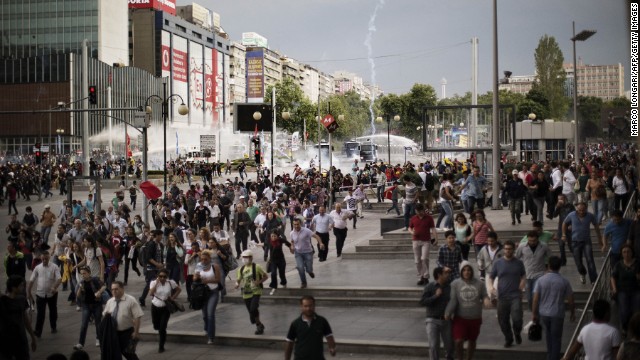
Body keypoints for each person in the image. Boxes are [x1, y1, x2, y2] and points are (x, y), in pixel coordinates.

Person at [532, 256, 576, 360]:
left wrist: (534, 314)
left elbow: (535, 300)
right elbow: (571, 299)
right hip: (557, 314)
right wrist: (572, 312)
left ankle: (550, 355)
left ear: (549, 266)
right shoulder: (564, 281)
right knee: (556, 339)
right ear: (559, 267)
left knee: (548, 336)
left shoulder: (540, 280)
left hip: (544, 313)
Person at [445, 262, 491, 360]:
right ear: (461, 271)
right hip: (460, 318)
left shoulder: (480, 283)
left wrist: (486, 299)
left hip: (475, 317)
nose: (467, 272)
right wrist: (448, 311)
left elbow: (484, 295)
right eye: (464, 270)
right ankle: (460, 358)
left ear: (472, 271)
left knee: (472, 340)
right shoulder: (455, 283)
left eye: (469, 270)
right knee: (458, 341)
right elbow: (453, 300)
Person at [489, 240, 526, 348]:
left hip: (515, 295)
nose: (507, 251)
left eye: (510, 249)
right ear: (503, 249)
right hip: (502, 296)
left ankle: (517, 332)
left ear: (513, 250)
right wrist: (491, 287)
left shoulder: (519, 263)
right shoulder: (498, 263)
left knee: (517, 318)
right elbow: (491, 276)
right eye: (506, 249)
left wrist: (523, 282)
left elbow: (523, 275)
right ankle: (508, 338)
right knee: (503, 320)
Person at [562, 202, 604, 284]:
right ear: (577, 209)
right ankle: (582, 273)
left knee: (590, 260)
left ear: (586, 209)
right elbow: (564, 223)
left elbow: (596, 226)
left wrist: (599, 239)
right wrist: (563, 234)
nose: (581, 212)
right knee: (578, 262)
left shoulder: (590, 216)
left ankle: (593, 279)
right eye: (580, 210)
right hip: (575, 242)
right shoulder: (571, 215)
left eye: (583, 210)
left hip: (586, 241)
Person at [102, 281, 144, 360]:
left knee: (128, 353)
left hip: (126, 332)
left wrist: (136, 332)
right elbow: (105, 315)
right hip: (113, 333)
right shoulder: (110, 302)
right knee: (115, 354)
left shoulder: (131, 300)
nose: (114, 291)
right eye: (112, 289)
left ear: (122, 289)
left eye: (116, 289)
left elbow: (137, 316)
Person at [285, 295, 336, 360]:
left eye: (310, 306)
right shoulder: (295, 323)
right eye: (305, 306)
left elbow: (329, 337)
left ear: (314, 306)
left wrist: (332, 348)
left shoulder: (322, 321)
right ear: (301, 307)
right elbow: (289, 343)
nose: (308, 308)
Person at [0, 275, 37, 360]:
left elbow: (25, 319)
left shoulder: (21, 299)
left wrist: (32, 337)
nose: (23, 287)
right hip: (5, 339)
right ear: (13, 288)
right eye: (21, 285)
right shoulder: (2, 301)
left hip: (21, 338)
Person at [420, 267, 453, 360]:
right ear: (439, 275)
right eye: (445, 273)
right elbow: (422, 302)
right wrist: (435, 296)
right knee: (434, 346)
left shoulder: (449, 287)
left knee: (450, 346)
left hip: (446, 320)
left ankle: (449, 357)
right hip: (432, 320)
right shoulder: (430, 286)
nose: (448, 275)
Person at [28, 251, 61, 338]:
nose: (44, 260)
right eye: (42, 259)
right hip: (40, 294)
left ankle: (53, 326)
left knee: (53, 311)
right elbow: (32, 279)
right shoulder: (37, 268)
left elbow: (59, 279)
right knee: (40, 314)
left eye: (46, 259)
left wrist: (54, 287)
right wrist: (28, 291)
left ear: (49, 257)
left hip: (52, 294)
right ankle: (38, 331)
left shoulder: (54, 267)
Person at [516, 230, 551, 311]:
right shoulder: (522, 246)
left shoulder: (544, 246)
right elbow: (516, 258)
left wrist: (548, 270)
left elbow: (551, 258)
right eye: (530, 240)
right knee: (529, 296)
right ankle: (532, 310)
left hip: (540, 274)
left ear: (538, 239)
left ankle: (538, 310)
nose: (532, 242)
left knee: (536, 294)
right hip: (526, 275)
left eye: (534, 240)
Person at [235, 250, 268, 335]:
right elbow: (238, 279)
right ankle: (259, 324)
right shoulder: (241, 269)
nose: (245, 259)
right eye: (244, 257)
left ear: (251, 258)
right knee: (251, 312)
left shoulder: (256, 267)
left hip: (256, 291)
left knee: (253, 308)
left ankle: (258, 325)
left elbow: (265, 276)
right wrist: (237, 284)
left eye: (247, 257)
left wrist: (259, 282)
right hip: (246, 292)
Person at [149, 268, 181, 353]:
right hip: (155, 306)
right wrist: (156, 283)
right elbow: (150, 293)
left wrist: (173, 298)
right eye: (160, 276)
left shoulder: (170, 282)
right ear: (158, 276)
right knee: (156, 325)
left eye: (164, 277)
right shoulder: (153, 282)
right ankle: (160, 332)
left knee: (162, 327)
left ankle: (161, 345)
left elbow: (179, 289)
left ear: (167, 277)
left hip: (165, 307)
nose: (162, 278)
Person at [74, 266, 106, 351]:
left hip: (96, 304)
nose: (83, 275)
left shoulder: (95, 280)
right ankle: (80, 343)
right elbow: (77, 296)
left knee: (98, 323)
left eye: (84, 273)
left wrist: (99, 292)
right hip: (86, 305)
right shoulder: (81, 282)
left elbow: (103, 286)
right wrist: (80, 289)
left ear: (89, 273)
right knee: (84, 324)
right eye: (81, 274)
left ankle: (98, 339)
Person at [610, 244, 640, 335]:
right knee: (624, 311)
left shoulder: (637, 263)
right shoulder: (619, 264)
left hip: (635, 289)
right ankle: (625, 327)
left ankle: (636, 329)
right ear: (622, 253)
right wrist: (614, 288)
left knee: (636, 310)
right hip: (622, 290)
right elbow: (613, 277)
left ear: (632, 253)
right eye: (624, 252)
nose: (626, 254)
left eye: (628, 252)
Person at [194, 249, 222, 344]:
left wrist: (208, 281)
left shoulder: (215, 266)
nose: (203, 261)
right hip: (203, 293)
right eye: (202, 259)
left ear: (209, 258)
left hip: (213, 292)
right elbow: (194, 278)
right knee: (205, 315)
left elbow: (218, 279)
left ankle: (211, 336)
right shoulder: (199, 266)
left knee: (210, 314)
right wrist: (196, 277)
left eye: (205, 259)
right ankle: (207, 328)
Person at [290, 218, 324, 288]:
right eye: (295, 224)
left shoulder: (306, 231)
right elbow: (292, 241)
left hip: (308, 252)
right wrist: (292, 247)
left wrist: (320, 243)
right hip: (298, 253)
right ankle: (303, 282)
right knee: (300, 267)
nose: (296, 226)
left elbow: (316, 236)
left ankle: (310, 271)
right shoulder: (292, 233)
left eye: (297, 224)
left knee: (308, 268)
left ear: (300, 224)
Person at [409, 203, 438, 285]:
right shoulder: (413, 218)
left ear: (423, 210)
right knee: (417, 260)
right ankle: (420, 276)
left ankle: (426, 276)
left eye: (420, 211)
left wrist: (436, 238)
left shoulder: (429, 218)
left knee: (424, 258)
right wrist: (411, 232)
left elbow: (433, 228)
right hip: (416, 240)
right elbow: (410, 227)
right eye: (417, 211)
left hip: (426, 241)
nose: (419, 213)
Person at [139, 230, 164, 307]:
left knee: (154, 283)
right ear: (157, 236)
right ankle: (145, 298)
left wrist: (161, 264)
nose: (161, 237)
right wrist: (157, 264)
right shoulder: (151, 244)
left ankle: (145, 298)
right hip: (151, 268)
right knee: (151, 283)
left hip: (158, 268)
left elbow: (160, 255)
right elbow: (148, 257)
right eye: (160, 235)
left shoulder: (160, 244)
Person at [477, 231, 504, 299]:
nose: (490, 243)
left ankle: (499, 303)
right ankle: (495, 304)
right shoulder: (484, 249)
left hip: (499, 273)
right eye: (488, 241)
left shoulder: (502, 250)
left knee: (495, 289)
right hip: (488, 273)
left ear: (496, 240)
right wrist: (481, 265)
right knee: (489, 292)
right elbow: (480, 258)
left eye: (492, 241)